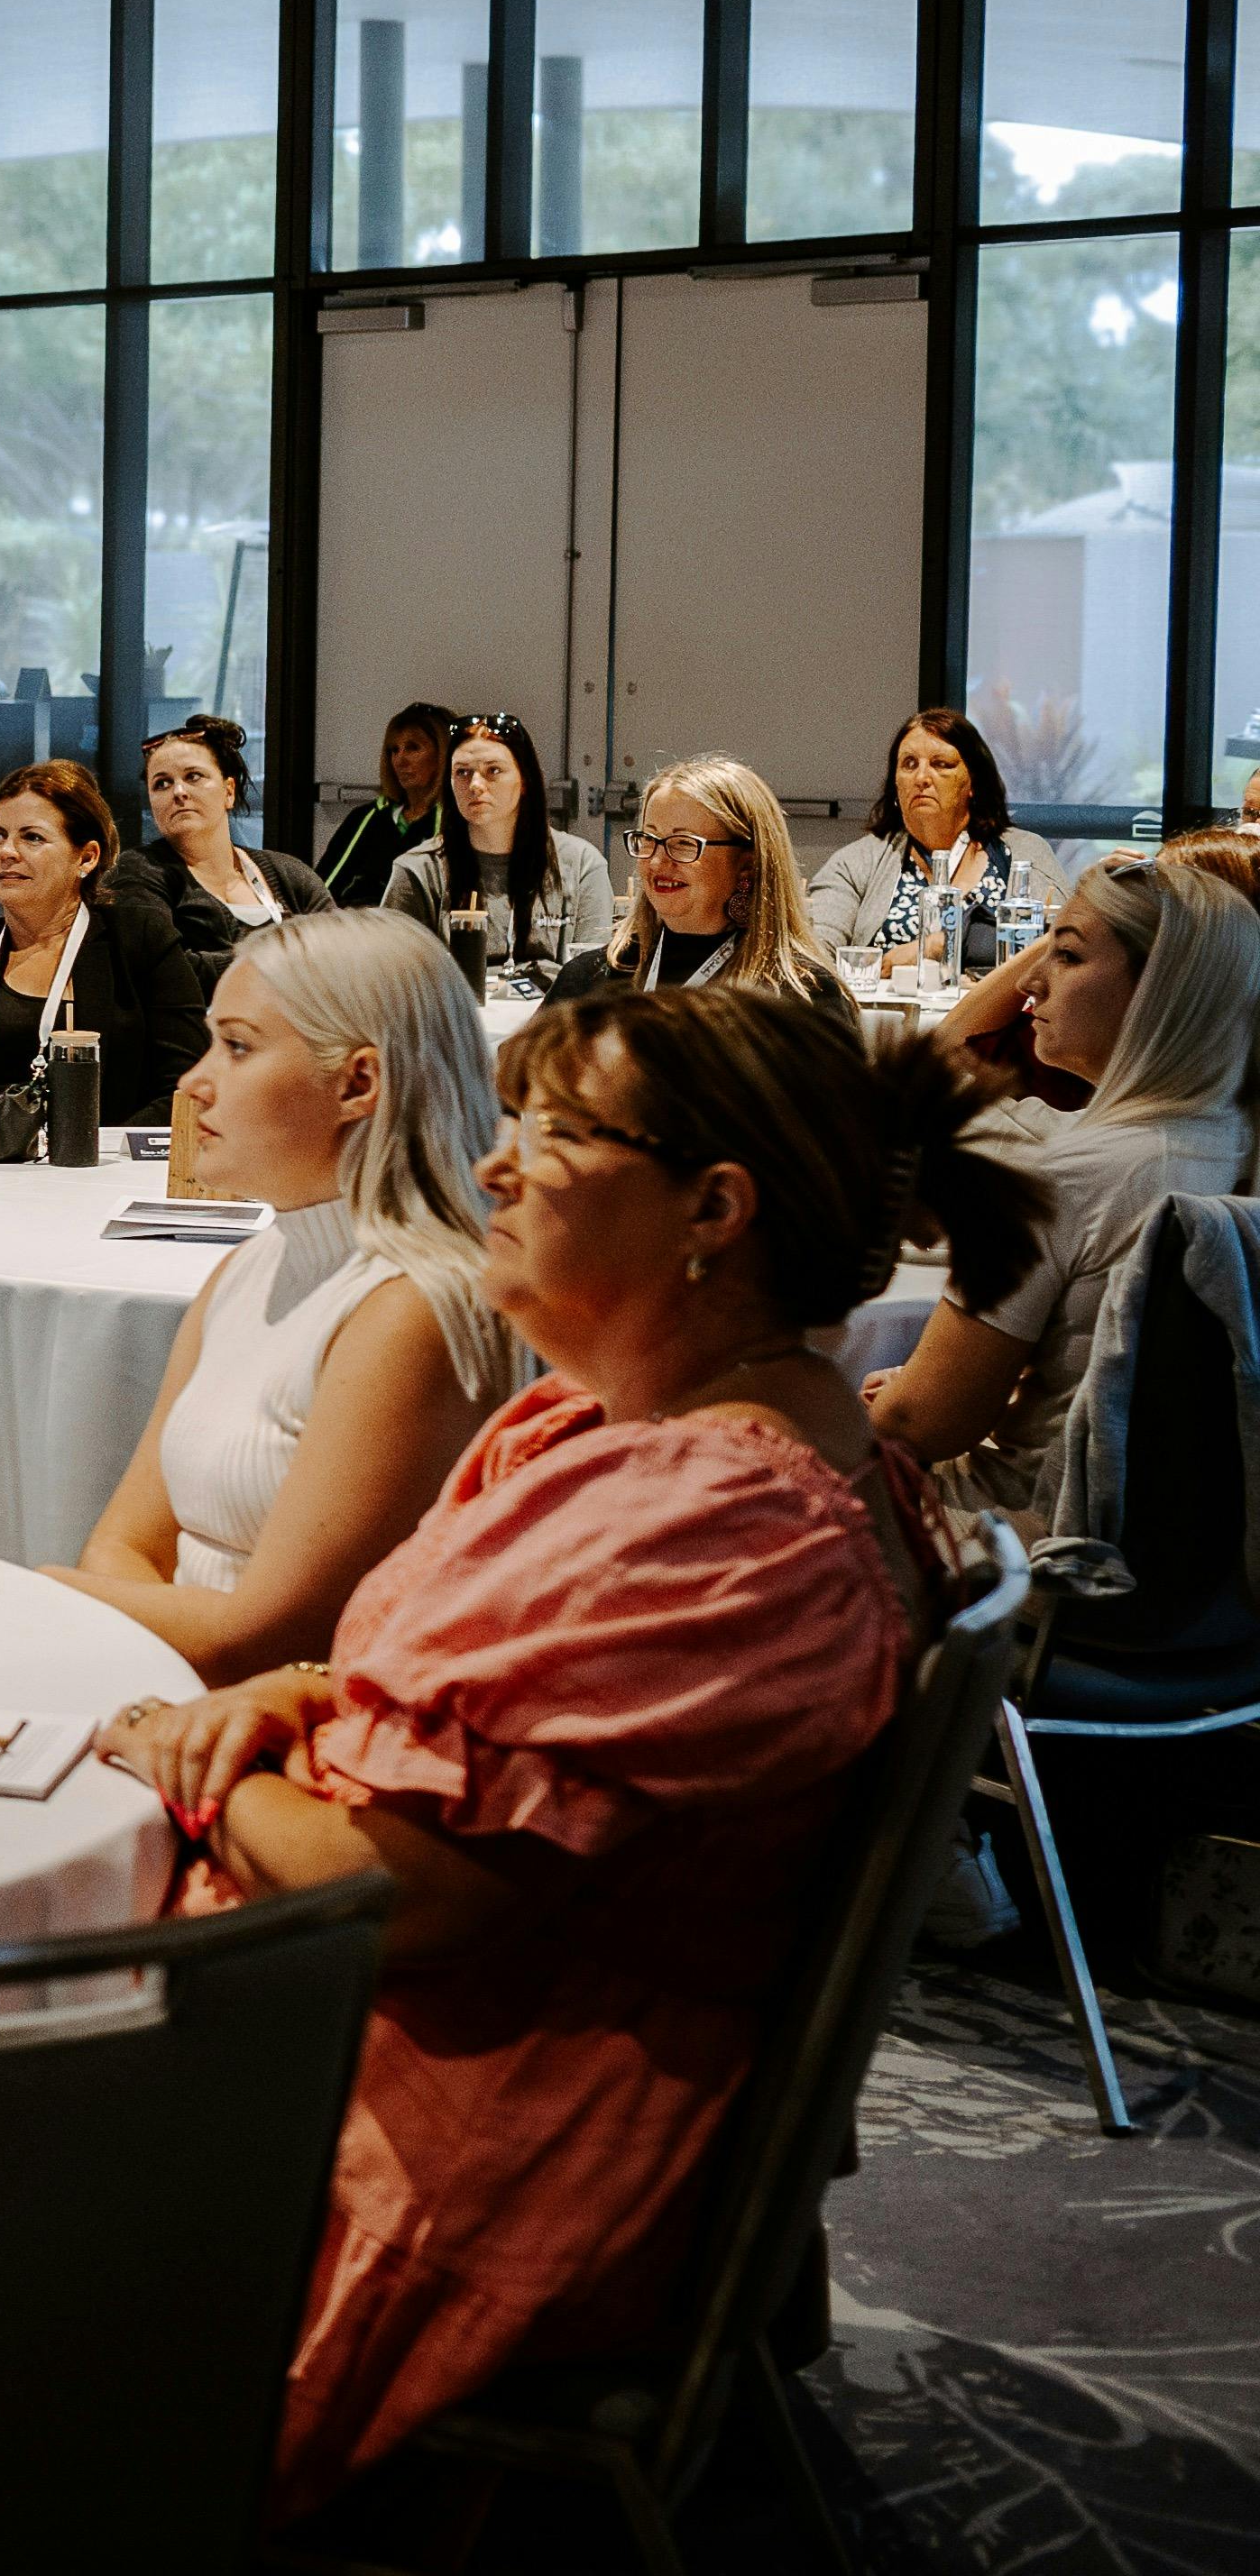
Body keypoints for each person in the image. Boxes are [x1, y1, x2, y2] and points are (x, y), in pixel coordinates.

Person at [109, 987, 1041, 2508]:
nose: (489, 1168)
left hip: (442, 2138)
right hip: (404, 2052)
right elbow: (434, 1707)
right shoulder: (656, 1437)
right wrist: (294, 1696)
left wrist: (180, 1752)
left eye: (545, 1136)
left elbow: (401, 1893)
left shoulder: (716, 1526)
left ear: (710, 1209)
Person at [52, 915, 515, 1677]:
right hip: (192, 1711)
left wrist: (38, 1594)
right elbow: (126, 1543)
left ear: (359, 1082)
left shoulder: (413, 1307)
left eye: (237, 1046)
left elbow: (273, 1635)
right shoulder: (248, 1266)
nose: (194, 1080)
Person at [867, 857, 1260, 1555]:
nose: (1029, 980)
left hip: (1048, 1553)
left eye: (1068, 954)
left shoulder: (1072, 1174)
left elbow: (920, 1424)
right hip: (1209, 1574)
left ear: (1159, 992)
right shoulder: (1236, 1145)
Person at [0, 759, 211, 1129]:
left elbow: (186, 1087)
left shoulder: (139, 940)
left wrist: (95, 1154)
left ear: (87, 857)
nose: (6, 852)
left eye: (32, 837)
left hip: (103, 1170)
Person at [809, 706, 1069, 974]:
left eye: (940, 764)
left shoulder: (1025, 853)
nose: (921, 778)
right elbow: (813, 955)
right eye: (909, 764)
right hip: (888, 1014)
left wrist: (941, 944)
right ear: (895, 785)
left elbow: (1065, 943)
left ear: (973, 783)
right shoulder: (856, 863)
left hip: (999, 1013)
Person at [599, 756, 847, 1007]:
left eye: (684, 843)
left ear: (747, 864)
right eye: (649, 839)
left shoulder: (804, 995)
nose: (656, 862)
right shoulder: (594, 978)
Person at [380, 714, 612, 968]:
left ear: (524, 780)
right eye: (462, 773)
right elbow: (395, 981)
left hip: (555, 1008)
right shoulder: (417, 871)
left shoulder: (582, 864)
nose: (475, 785)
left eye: (493, 771)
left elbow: (594, 977)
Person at [142, 715, 329, 977]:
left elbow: (336, 956)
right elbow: (167, 973)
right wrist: (289, 954)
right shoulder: (140, 872)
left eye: (193, 776)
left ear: (229, 791)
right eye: (162, 783)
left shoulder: (289, 873)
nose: (178, 792)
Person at [317, 701, 455, 907]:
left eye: (413, 748)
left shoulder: (455, 820)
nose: (400, 760)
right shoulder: (367, 817)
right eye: (394, 750)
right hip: (353, 927)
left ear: (443, 754)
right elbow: (322, 889)